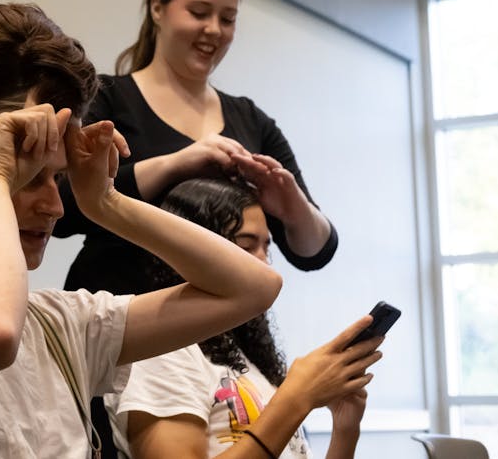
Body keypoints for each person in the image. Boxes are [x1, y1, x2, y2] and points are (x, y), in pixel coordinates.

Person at [0, 3, 283, 458]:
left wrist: (107, 203)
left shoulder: (65, 325)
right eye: (27, 178)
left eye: (57, 179)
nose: (54, 206)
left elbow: (252, 288)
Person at [56, 0, 337, 299]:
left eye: (228, 19)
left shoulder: (252, 121)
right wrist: (177, 164)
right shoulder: (108, 97)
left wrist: (292, 203)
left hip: (218, 329)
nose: (214, 30)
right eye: (199, 13)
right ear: (157, 8)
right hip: (117, 312)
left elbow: (315, 252)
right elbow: (61, 206)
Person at [106, 178, 380, 459]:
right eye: (247, 247)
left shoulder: (249, 364)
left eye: (266, 248)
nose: (265, 265)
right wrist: (297, 397)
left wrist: (345, 430)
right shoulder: (160, 351)